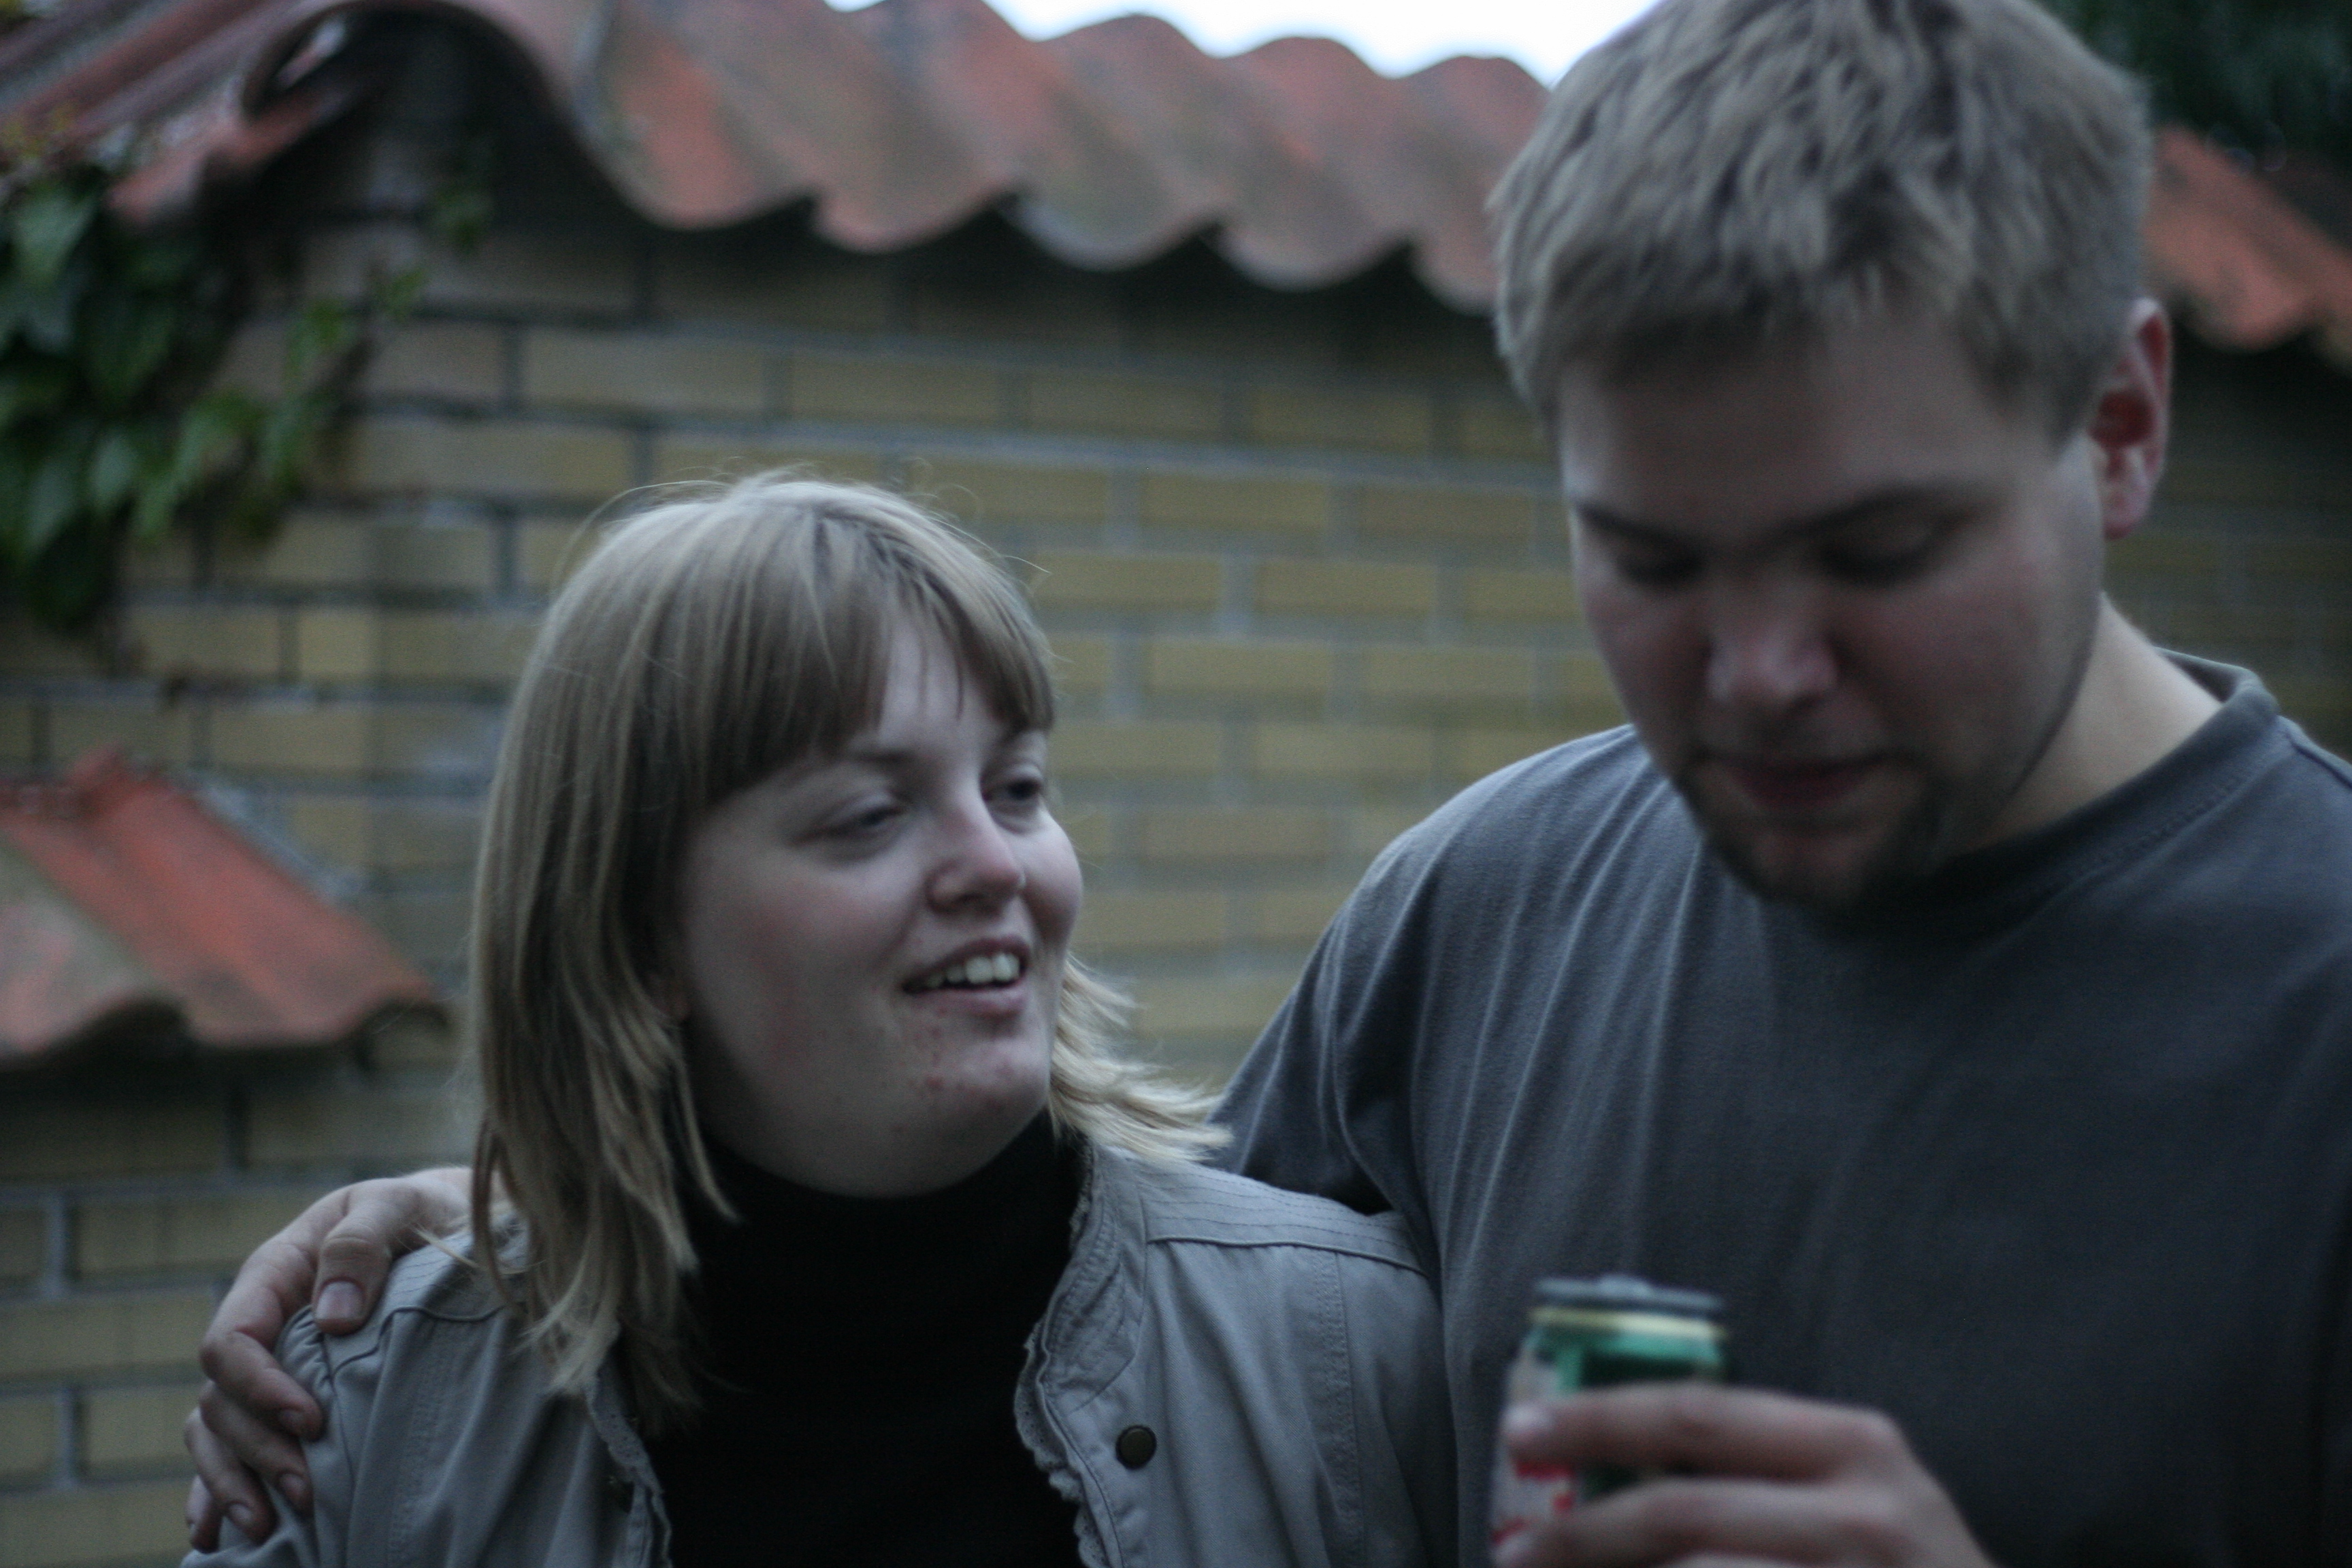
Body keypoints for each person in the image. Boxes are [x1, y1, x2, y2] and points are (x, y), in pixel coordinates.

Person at [192, 0, 2352, 1562]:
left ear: (2122, 426)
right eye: (1653, 560)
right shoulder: (1493, 902)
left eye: (1877, 553)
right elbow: (1075, 1300)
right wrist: (567, 1210)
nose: (1759, 676)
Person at [180, 475, 1454, 1568]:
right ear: (641, 932)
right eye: (870, 815)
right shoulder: (364, 1403)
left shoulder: (1361, 1354)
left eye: (1017, 789)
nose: (995, 863)